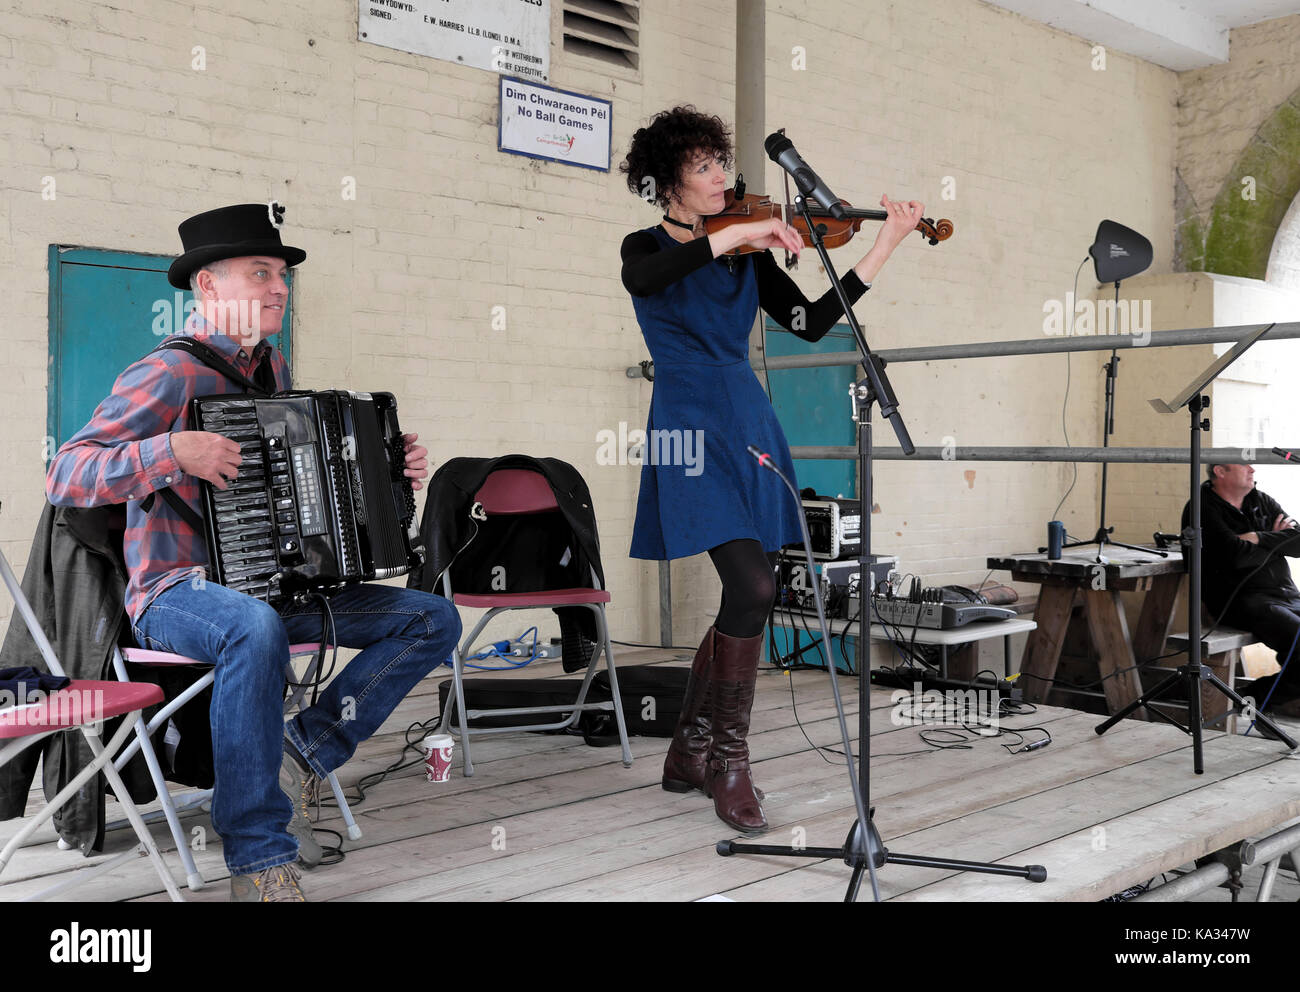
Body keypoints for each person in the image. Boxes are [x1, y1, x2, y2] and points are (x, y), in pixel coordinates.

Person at [46, 203, 462, 901]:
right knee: (251, 625)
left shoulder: (270, 367)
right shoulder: (168, 373)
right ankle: (258, 859)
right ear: (208, 287)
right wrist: (171, 450)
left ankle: (301, 750)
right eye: (261, 272)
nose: (280, 287)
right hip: (176, 593)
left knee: (430, 618)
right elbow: (67, 471)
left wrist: (385, 475)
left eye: (282, 275)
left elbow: (302, 481)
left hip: (271, 586)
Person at [618, 107, 923, 833]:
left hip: (746, 418)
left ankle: (689, 751)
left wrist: (887, 243)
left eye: (721, 163)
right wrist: (744, 231)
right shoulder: (645, 245)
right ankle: (729, 758)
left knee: (749, 590)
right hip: (687, 424)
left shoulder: (749, 255)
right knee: (752, 585)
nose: (721, 175)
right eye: (703, 168)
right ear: (667, 185)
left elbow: (816, 322)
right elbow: (652, 275)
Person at [1184, 462, 1300, 714]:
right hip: (1241, 601)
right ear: (1220, 471)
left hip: (1286, 594)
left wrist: (1259, 537)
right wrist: (1277, 543)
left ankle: (1256, 698)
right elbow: (1233, 556)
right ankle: (1255, 699)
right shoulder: (1202, 507)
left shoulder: (1261, 500)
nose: (1253, 470)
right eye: (1244, 465)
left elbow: (1299, 543)